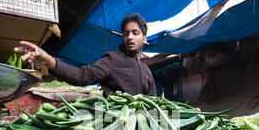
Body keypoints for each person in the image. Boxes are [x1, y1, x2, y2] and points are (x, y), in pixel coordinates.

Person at [14, 13, 157, 97]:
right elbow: (82, 75)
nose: (129, 37)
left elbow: (154, 102)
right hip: (116, 129)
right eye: (126, 34)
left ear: (144, 38)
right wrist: (48, 59)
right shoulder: (113, 60)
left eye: (135, 33)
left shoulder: (147, 71)